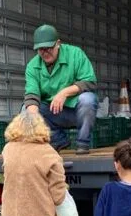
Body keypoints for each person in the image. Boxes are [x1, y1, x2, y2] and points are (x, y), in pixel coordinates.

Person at [24, 24, 98, 155]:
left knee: (88, 99)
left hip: (77, 111)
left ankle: (83, 143)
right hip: (53, 113)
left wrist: (64, 93)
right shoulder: (32, 66)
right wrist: (33, 117)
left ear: (58, 43)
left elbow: (90, 82)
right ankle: (58, 139)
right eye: (41, 50)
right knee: (27, 110)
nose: (45, 53)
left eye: (49, 48)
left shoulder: (75, 54)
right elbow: (32, 95)